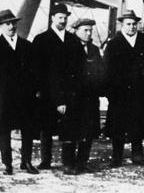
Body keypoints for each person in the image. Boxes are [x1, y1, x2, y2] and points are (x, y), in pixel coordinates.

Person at [104, 9, 144, 167]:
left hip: (139, 92)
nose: (132, 27)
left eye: (134, 24)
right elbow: (107, 70)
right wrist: (110, 92)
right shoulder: (114, 44)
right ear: (122, 24)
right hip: (119, 93)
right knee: (118, 126)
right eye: (128, 24)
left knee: (138, 123)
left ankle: (137, 155)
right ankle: (116, 157)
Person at [53, 18, 105, 174]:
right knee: (70, 131)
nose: (89, 33)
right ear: (76, 30)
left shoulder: (94, 50)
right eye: (85, 30)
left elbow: (100, 72)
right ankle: (68, 163)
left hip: (89, 99)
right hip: (72, 99)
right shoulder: (66, 48)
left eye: (90, 30)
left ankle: (82, 162)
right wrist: (60, 100)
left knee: (88, 132)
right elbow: (58, 76)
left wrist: (98, 88)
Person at [0, 10, 39, 175]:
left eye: (13, 23)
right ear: (1, 26)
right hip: (5, 97)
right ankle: (7, 164)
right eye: (7, 24)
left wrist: (33, 90)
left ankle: (26, 162)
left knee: (28, 129)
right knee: (5, 130)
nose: (11, 26)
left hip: (26, 97)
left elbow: (35, 71)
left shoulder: (27, 46)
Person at [32, 2, 76, 170]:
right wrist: (39, 90)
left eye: (65, 18)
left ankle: (68, 163)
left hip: (68, 91)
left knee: (68, 128)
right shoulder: (41, 39)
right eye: (60, 18)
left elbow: (77, 67)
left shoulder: (72, 40)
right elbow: (36, 69)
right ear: (52, 18)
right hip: (47, 91)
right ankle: (46, 160)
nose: (63, 21)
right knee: (46, 127)